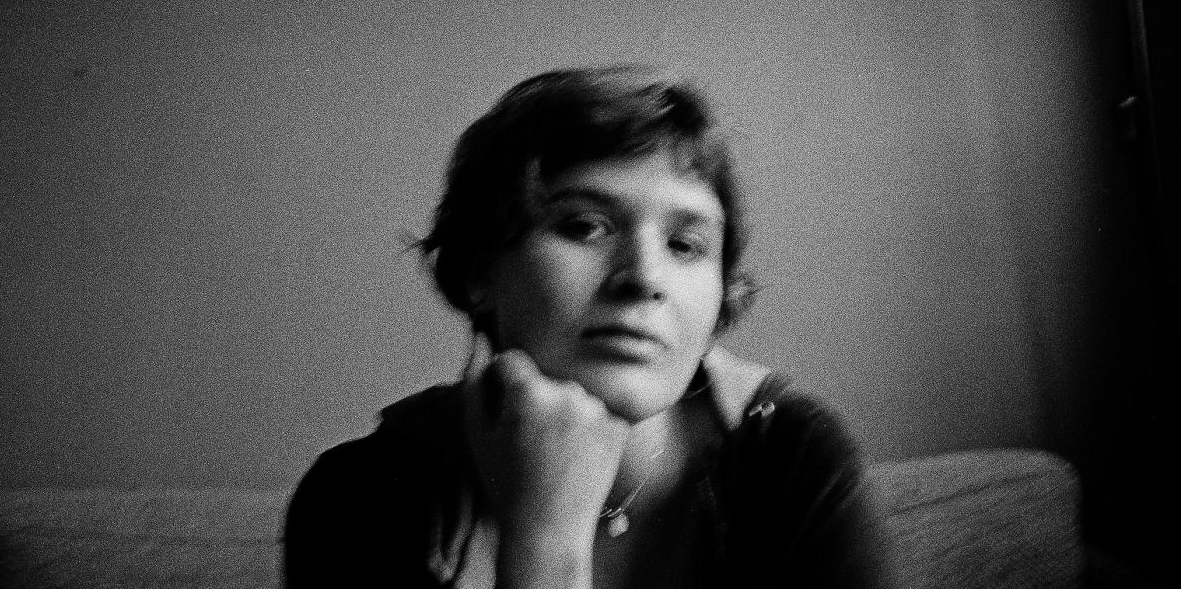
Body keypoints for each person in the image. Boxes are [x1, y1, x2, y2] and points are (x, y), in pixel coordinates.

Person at [283, 66, 890, 588]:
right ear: (480, 269)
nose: (644, 277)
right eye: (583, 226)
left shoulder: (792, 457)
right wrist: (547, 534)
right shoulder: (363, 496)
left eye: (684, 244)